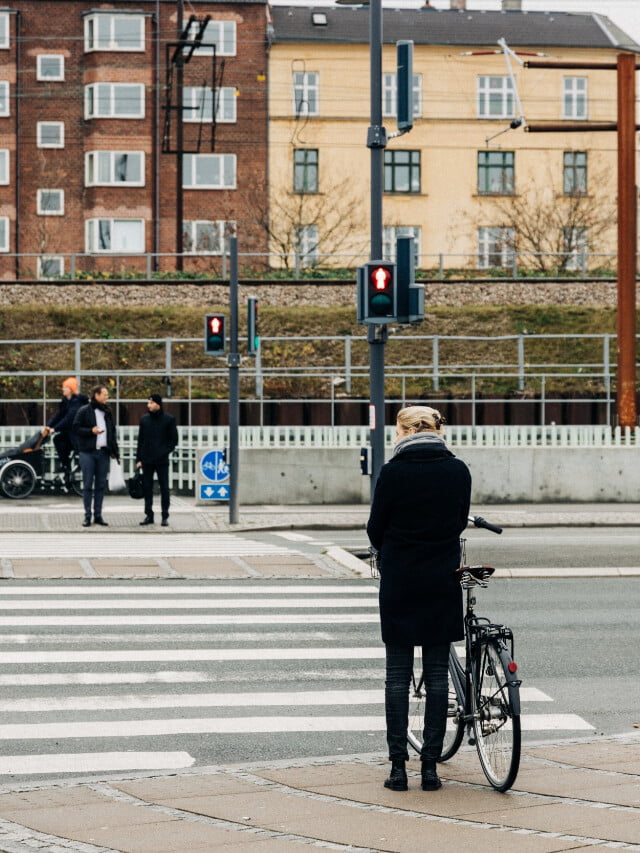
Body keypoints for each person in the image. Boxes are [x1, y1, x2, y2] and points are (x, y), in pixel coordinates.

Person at [367, 405, 471, 793]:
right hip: (441, 577)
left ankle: (398, 768)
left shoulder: (393, 472)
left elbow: (376, 527)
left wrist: (395, 547)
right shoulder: (457, 470)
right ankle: (430, 768)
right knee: (439, 673)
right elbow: (459, 519)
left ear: (405, 430)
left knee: (397, 674)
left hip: (400, 578)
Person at [73, 384, 120, 528]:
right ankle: (87, 515)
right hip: (88, 452)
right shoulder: (84, 410)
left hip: (103, 452)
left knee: (100, 485)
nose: (107, 397)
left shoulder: (107, 411)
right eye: (104, 394)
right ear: (96, 395)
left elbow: (112, 431)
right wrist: (90, 431)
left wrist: (114, 451)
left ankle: (98, 515)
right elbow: (76, 428)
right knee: (87, 485)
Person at [135, 393, 178, 527]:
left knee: (164, 488)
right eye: (148, 403)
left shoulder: (168, 419)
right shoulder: (144, 420)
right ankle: (149, 514)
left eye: (151, 403)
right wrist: (139, 458)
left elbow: (173, 440)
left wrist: (163, 452)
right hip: (147, 460)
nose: (149, 405)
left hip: (161, 460)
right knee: (147, 488)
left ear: (158, 404)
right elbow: (140, 441)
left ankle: (165, 515)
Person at [42, 377, 88, 482]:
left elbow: (69, 418)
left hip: (78, 432)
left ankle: (80, 462)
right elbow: (59, 415)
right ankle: (66, 466)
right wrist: (49, 425)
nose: (63, 389)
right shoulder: (65, 401)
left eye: (65, 387)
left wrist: (55, 428)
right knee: (58, 440)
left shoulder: (77, 402)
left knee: (73, 441)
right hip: (69, 431)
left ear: (71, 389)